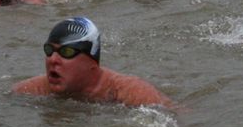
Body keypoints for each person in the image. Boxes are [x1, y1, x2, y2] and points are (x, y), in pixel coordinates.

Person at [13, 16, 172, 108]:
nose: (53, 60)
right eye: (49, 50)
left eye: (66, 52)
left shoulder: (132, 94)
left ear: (92, 62)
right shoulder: (30, 91)